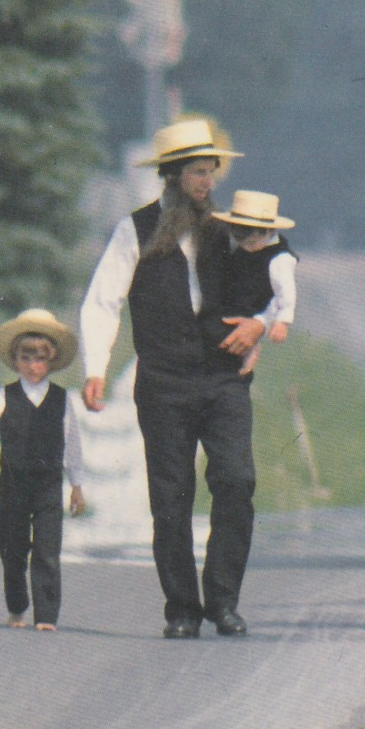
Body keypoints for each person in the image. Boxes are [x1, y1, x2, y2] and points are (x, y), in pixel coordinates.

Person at [78, 117, 268, 639]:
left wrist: (260, 327)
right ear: (171, 175)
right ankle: (182, 607)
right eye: (197, 172)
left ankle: (223, 600)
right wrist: (96, 368)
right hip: (163, 381)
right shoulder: (133, 232)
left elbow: (271, 285)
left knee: (236, 480)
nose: (207, 182)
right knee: (171, 495)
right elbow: (103, 301)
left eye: (212, 172)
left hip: (224, 379)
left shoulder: (229, 230)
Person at [0, 308, 87, 632]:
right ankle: (17, 606)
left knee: (47, 550)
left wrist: (76, 485)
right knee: (12, 547)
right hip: (14, 484)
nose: (33, 366)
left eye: (40, 359)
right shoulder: (4, 397)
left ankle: (46, 615)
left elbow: (73, 442)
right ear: (15, 360)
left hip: (48, 486)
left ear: (50, 361)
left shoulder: (62, 400)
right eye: (26, 358)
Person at [210, 189, 299, 374]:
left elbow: (286, 293)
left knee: (246, 330)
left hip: (258, 302)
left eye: (252, 242)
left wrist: (282, 322)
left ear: (269, 231)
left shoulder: (279, 259)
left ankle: (249, 354)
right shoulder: (240, 248)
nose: (247, 247)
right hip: (238, 294)